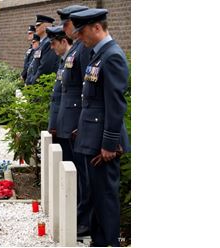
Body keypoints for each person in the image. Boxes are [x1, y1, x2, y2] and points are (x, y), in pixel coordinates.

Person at [70, 8, 130, 247]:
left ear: (97, 27)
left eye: (82, 32)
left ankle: (111, 243)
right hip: (91, 138)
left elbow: (114, 104)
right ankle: (99, 241)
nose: (79, 38)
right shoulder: (97, 54)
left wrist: (109, 143)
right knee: (94, 195)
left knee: (105, 198)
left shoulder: (111, 55)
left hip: (102, 144)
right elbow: (91, 101)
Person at [56, 4, 92, 239]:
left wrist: (80, 123)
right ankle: (79, 215)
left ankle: (85, 221)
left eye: (67, 24)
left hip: (78, 121)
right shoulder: (74, 49)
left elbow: (86, 89)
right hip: (70, 120)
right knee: (76, 175)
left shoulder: (83, 49)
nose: (65, 28)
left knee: (83, 177)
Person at [46, 26, 73, 143]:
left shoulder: (71, 60)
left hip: (67, 123)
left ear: (63, 42)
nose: (51, 47)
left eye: (53, 43)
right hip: (60, 121)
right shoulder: (64, 60)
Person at [25, 15, 59, 85]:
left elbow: (44, 68)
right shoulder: (42, 43)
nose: (35, 27)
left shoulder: (48, 43)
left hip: (41, 85)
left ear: (45, 27)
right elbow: (33, 64)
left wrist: (32, 83)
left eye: (38, 25)